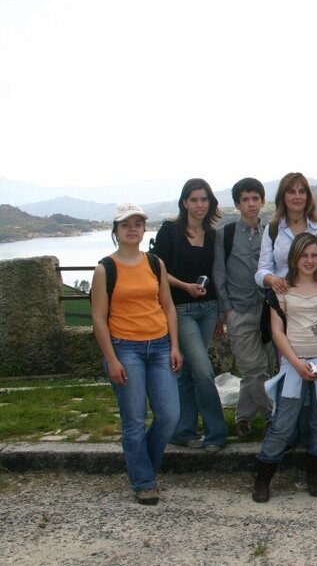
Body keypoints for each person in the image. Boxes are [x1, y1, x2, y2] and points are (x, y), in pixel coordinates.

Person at [91, 204, 182, 505]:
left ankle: (144, 466)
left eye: (138, 223)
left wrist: (174, 345)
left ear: (144, 229)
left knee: (169, 415)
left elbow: (168, 306)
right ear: (116, 230)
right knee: (134, 419)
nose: (132, 228)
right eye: (125, 224)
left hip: (159, 346)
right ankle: (144, 481)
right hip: (125, 348)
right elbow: (99, 319)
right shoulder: (106, 269)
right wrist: (112, 359)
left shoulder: (155, 263)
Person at [252, 233, 317, 503]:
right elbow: (277, 332)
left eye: (314, 255)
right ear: (294, 257)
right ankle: (263, 474)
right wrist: (296, 363)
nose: (309, 260)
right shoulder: (280, 291)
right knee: (283, 423)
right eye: (304, 255)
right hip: (293, 366)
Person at [154, 178, 229, 452]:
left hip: (208, 309)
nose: (200, 205)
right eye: (194, 199)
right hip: (181, 310)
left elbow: (218, 273)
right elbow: (157, 269)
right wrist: (185, 286)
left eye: (204, 199)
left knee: (187, 372)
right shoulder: (170, 231)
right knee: (203, 370)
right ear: (184, 202)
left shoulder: (212, 234)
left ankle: (182, 430)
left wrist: (220, 313)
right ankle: (216, 432)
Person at [213, 177, 275, 439]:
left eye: (255, 199)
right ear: (237, 204)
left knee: (266, 368)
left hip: (269, 311)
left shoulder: (271, 233)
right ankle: (274, 416)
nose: (251, 204)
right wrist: (227, 311)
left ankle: (244, 418)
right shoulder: (224, 234)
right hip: (239, 310)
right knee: (255, 369)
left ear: (262, 201)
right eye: (245, 199)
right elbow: (218, 274)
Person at [256, 172, 317, 297]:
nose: (297, 196)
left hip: (315, 300)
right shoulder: (273, 230)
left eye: (302, 191)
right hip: (282, 301)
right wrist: (273, 280)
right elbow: (262, 271)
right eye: (291, 192)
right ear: (283, 196)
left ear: (308, 196)